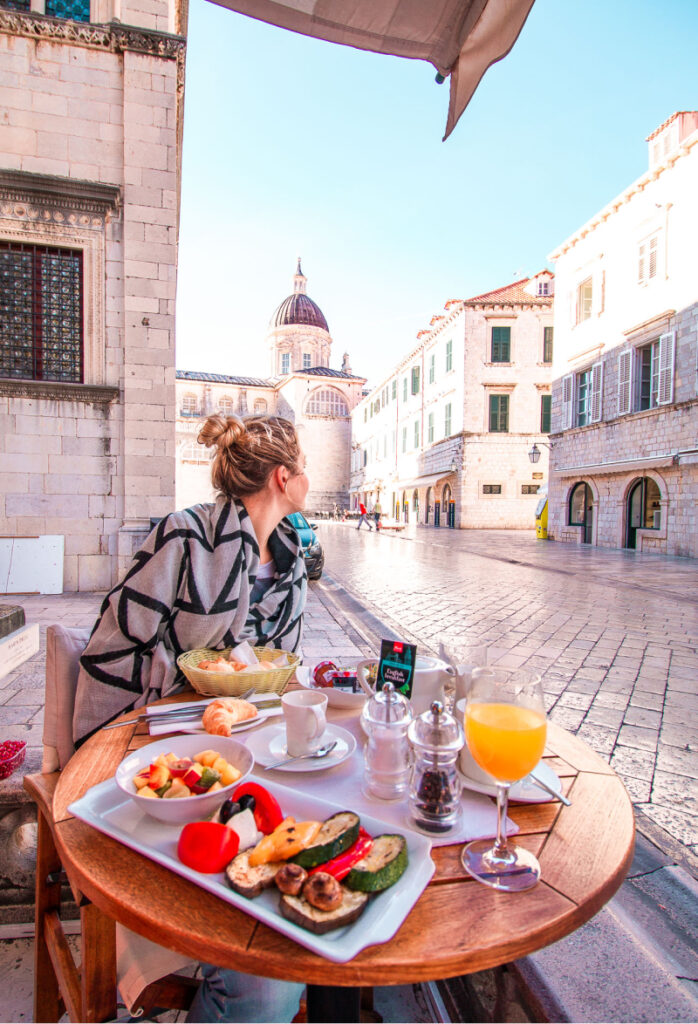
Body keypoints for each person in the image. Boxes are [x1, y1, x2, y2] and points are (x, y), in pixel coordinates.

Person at [73, 412, 308, 1023]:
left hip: (253, 747)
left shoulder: (290, 564)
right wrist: (181, 689)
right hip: (161, 748)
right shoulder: (184, 537)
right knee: (261, 964)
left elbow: (279, 669)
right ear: (285, 477)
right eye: (303, 466)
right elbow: (113, 646)